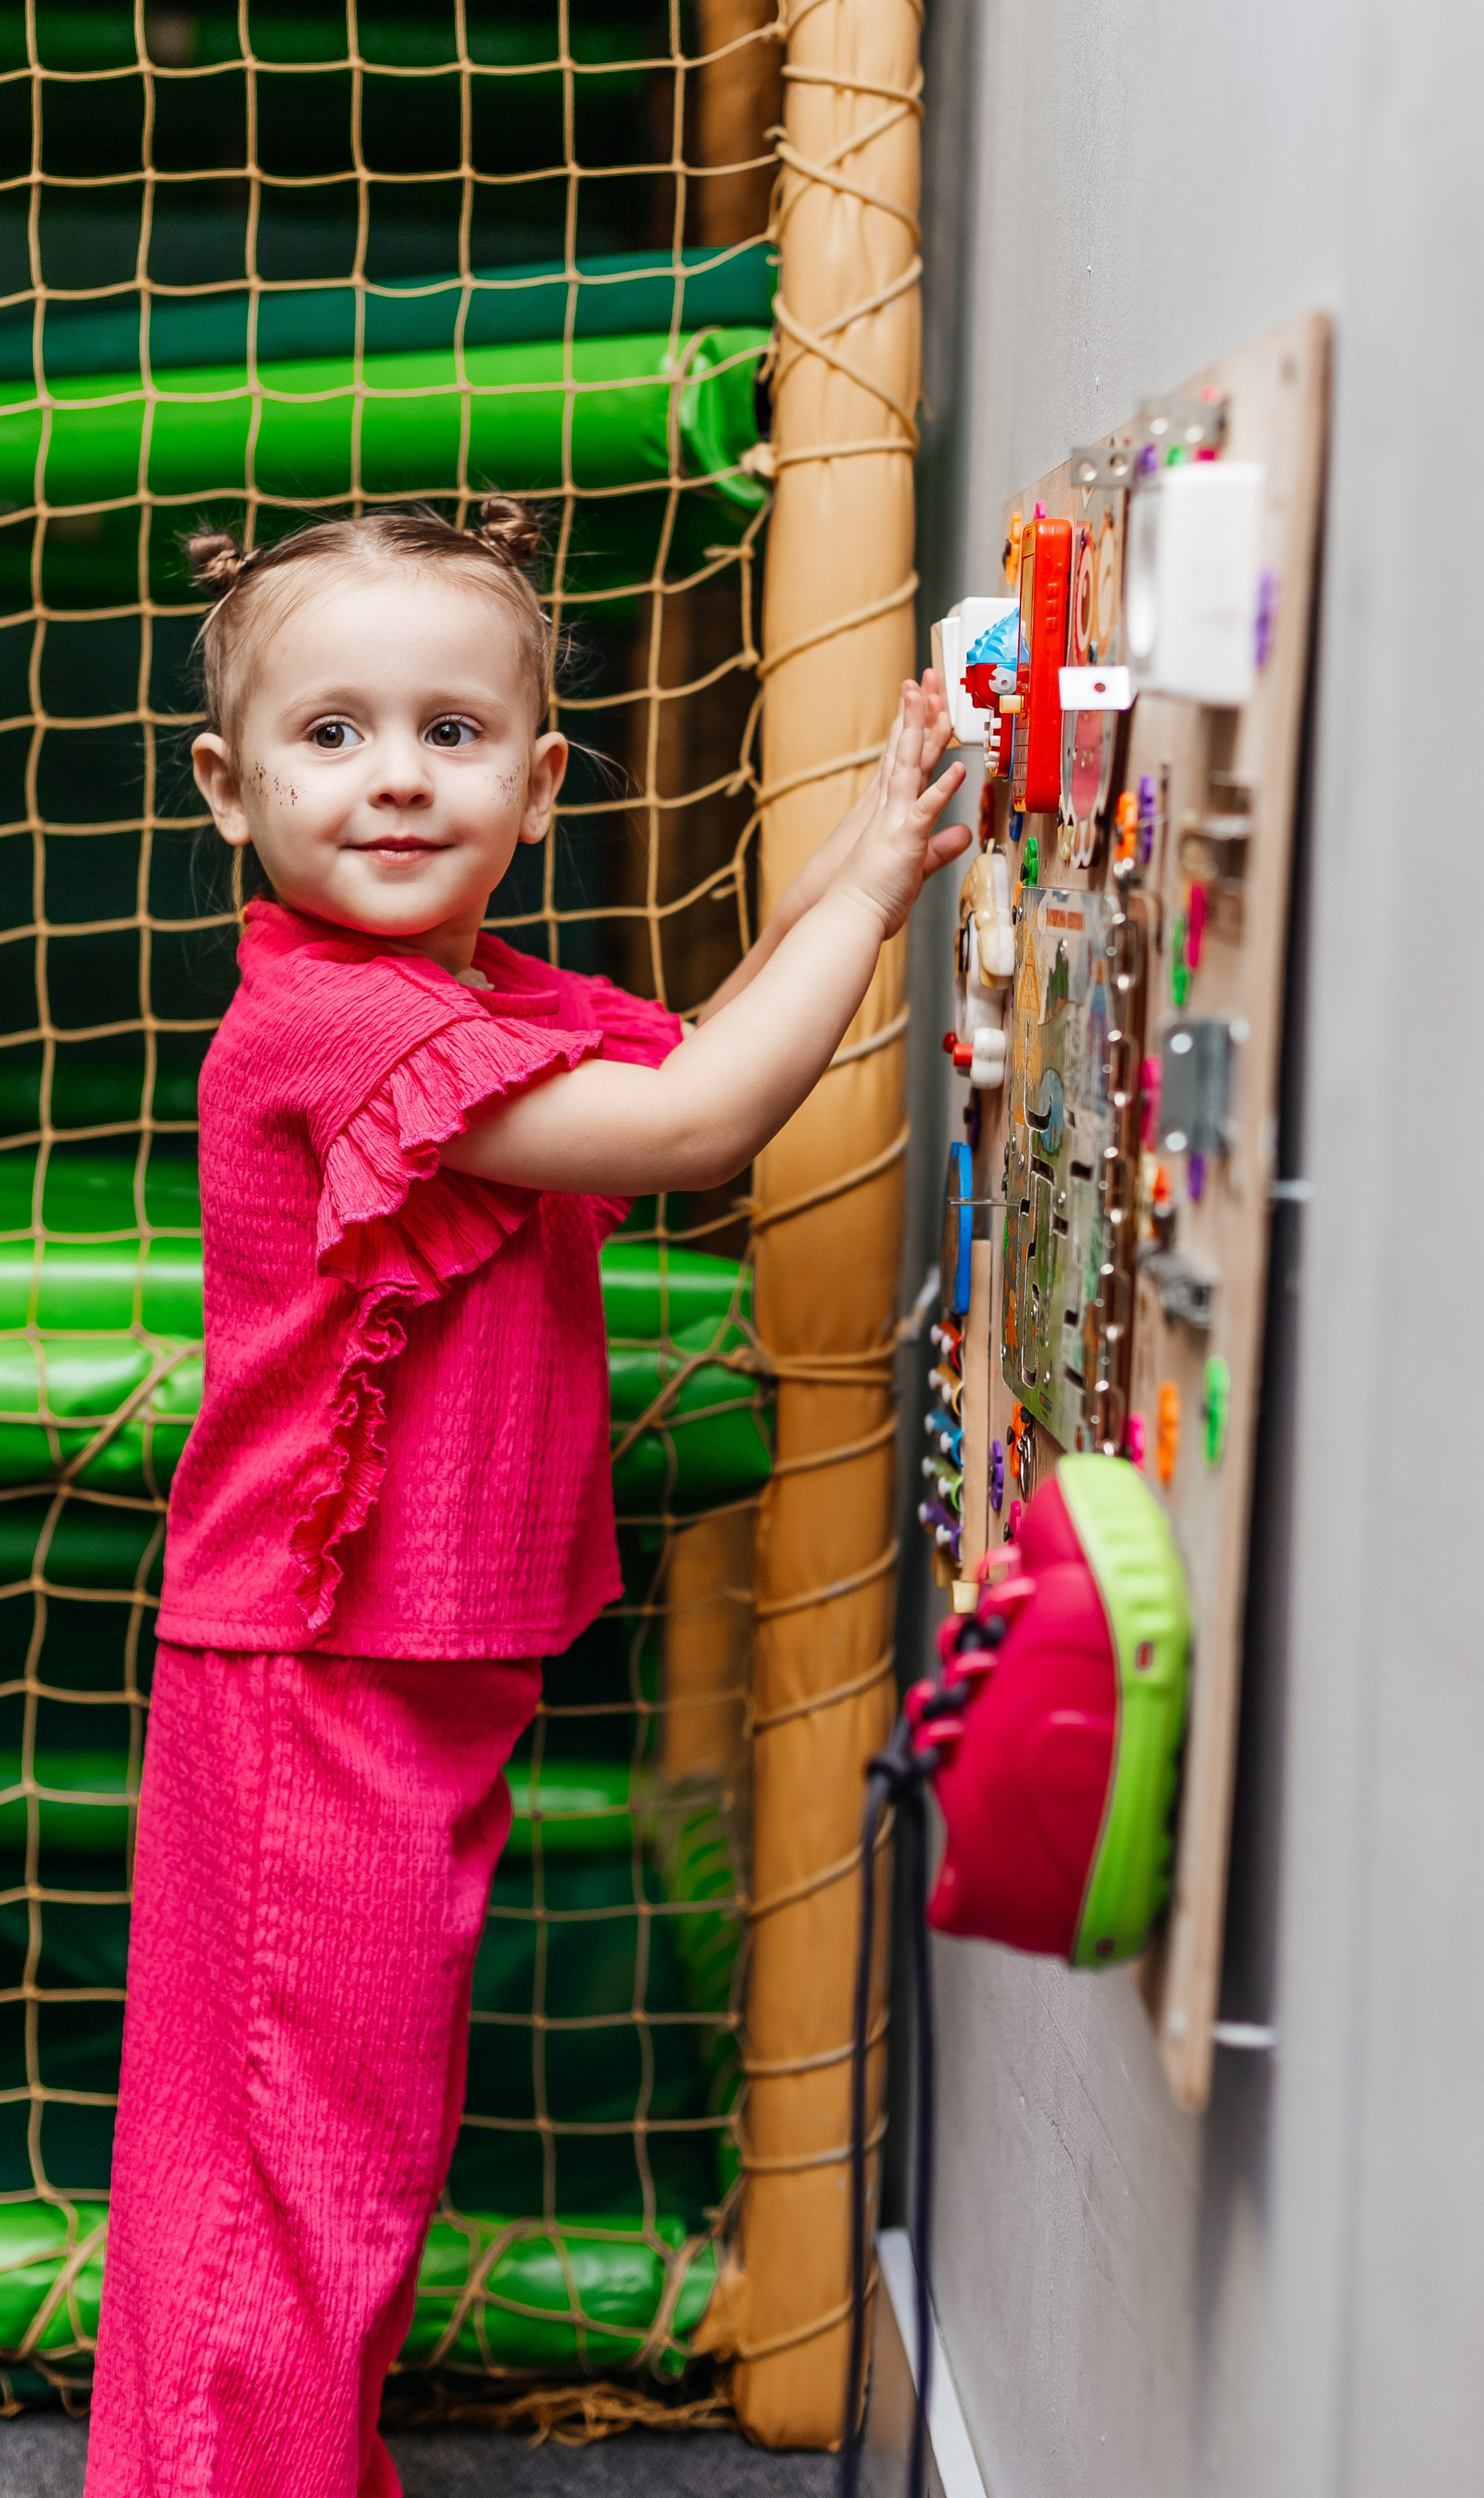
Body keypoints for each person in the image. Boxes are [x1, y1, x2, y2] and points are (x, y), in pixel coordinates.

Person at [84, 496, 965, 2497]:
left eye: (453, 734)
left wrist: (859, 851)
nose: (395, 775)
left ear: (543, 779)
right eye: (332, 735)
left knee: (341, 2136)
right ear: (227, 789)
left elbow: (694, 1047)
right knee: (288, 2150)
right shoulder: (339, 1018)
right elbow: (702, 1116)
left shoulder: (479, 1004)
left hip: (403, 1666)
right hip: (316, 1674)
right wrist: (872, 894)